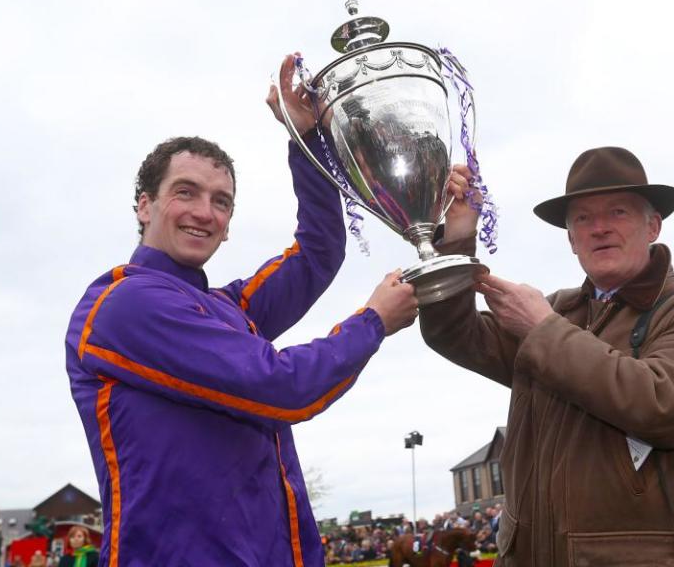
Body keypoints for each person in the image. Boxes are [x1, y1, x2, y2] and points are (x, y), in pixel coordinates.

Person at [64, 55, 419, 565]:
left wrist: (306, 138)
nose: (204, 212)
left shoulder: (227, 308)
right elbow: (283, 387)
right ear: (144, 205)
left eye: (221, 201)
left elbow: (318, 252)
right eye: (185, 193)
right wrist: (373, 322)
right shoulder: (122, 304)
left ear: (229, 223)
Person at [420, 147, 674, 565]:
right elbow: (453, 333)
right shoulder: (556, 312)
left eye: (619, 212)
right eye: (583, 219)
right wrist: (458, 240)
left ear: (654, 226)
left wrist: (541, 329)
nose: (599, 228)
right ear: (572, 240)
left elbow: (661, 406)